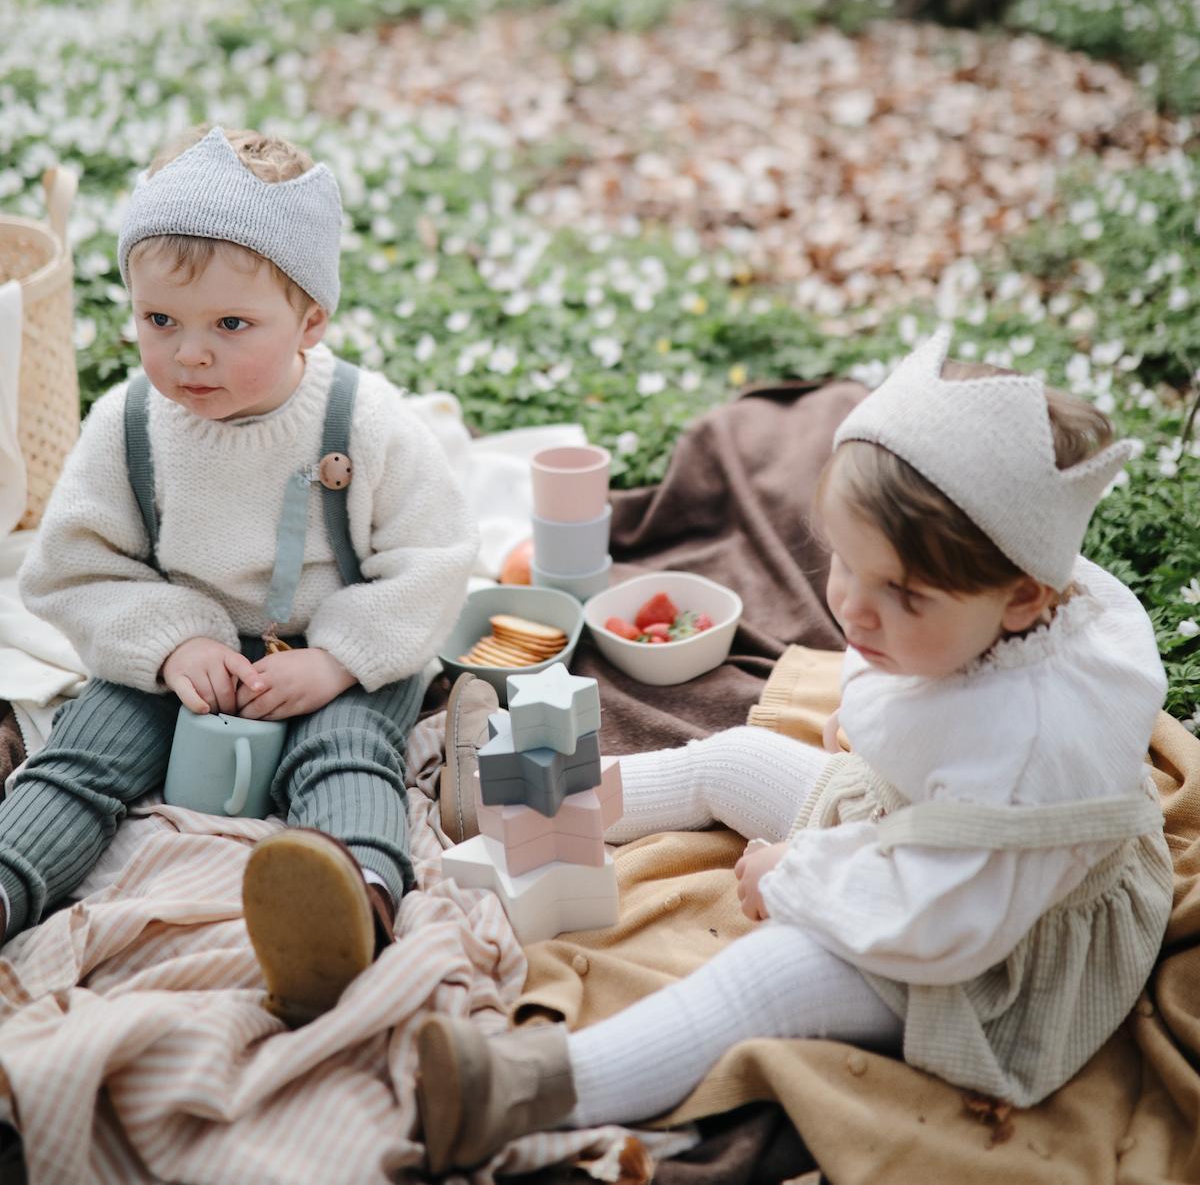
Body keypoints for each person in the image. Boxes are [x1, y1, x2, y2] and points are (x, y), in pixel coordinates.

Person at [415, 329, 1172, 1173]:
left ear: (1025, 598)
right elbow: (923, 687)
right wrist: (881, 731)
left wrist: (795, 876)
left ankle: (523, 1087)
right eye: (846, 564)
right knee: (733, 759)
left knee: (772, 973)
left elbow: (940, 922)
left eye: (904, 595)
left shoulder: (1026, 757)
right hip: (926, 829)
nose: (854, 609)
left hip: (989, 952)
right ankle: (520, 795)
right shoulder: (968, 613)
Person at [8, 124, 479, 1025]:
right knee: (84, 753)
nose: (190, 354)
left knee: (344, 752)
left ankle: (352, 904)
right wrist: (169, 640)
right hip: (184, 654)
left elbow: (436, 560)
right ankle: (9, 882)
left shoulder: (360, 421)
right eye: (160, 322)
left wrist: (338, 657)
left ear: (310, 321)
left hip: (335, 648)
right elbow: (70, 567)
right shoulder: (129, 425)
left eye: (231, 325)